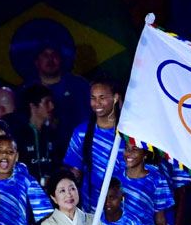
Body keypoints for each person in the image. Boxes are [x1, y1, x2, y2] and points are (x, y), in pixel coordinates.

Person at [64, 78, 123, 212]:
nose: (97, 103)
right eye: (93, 98)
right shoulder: (81, 133)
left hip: (126, 210)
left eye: (102, 97)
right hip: (93, 211)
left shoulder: (128, 133)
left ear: (115, 98)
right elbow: (75, 173)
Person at [30, 43, 90, 156]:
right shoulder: (28, 89)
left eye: (54, 54)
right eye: (45, 55)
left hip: (75, 151)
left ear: (61, 59)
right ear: (37, 61)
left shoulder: (79, 85)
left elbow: (88, 121)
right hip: (39, 154)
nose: (50, 59)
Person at [10, 83, 60, 187]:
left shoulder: (52, 133)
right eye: (47, 102)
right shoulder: (18, 135)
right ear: (33, 106)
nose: (52, 106)